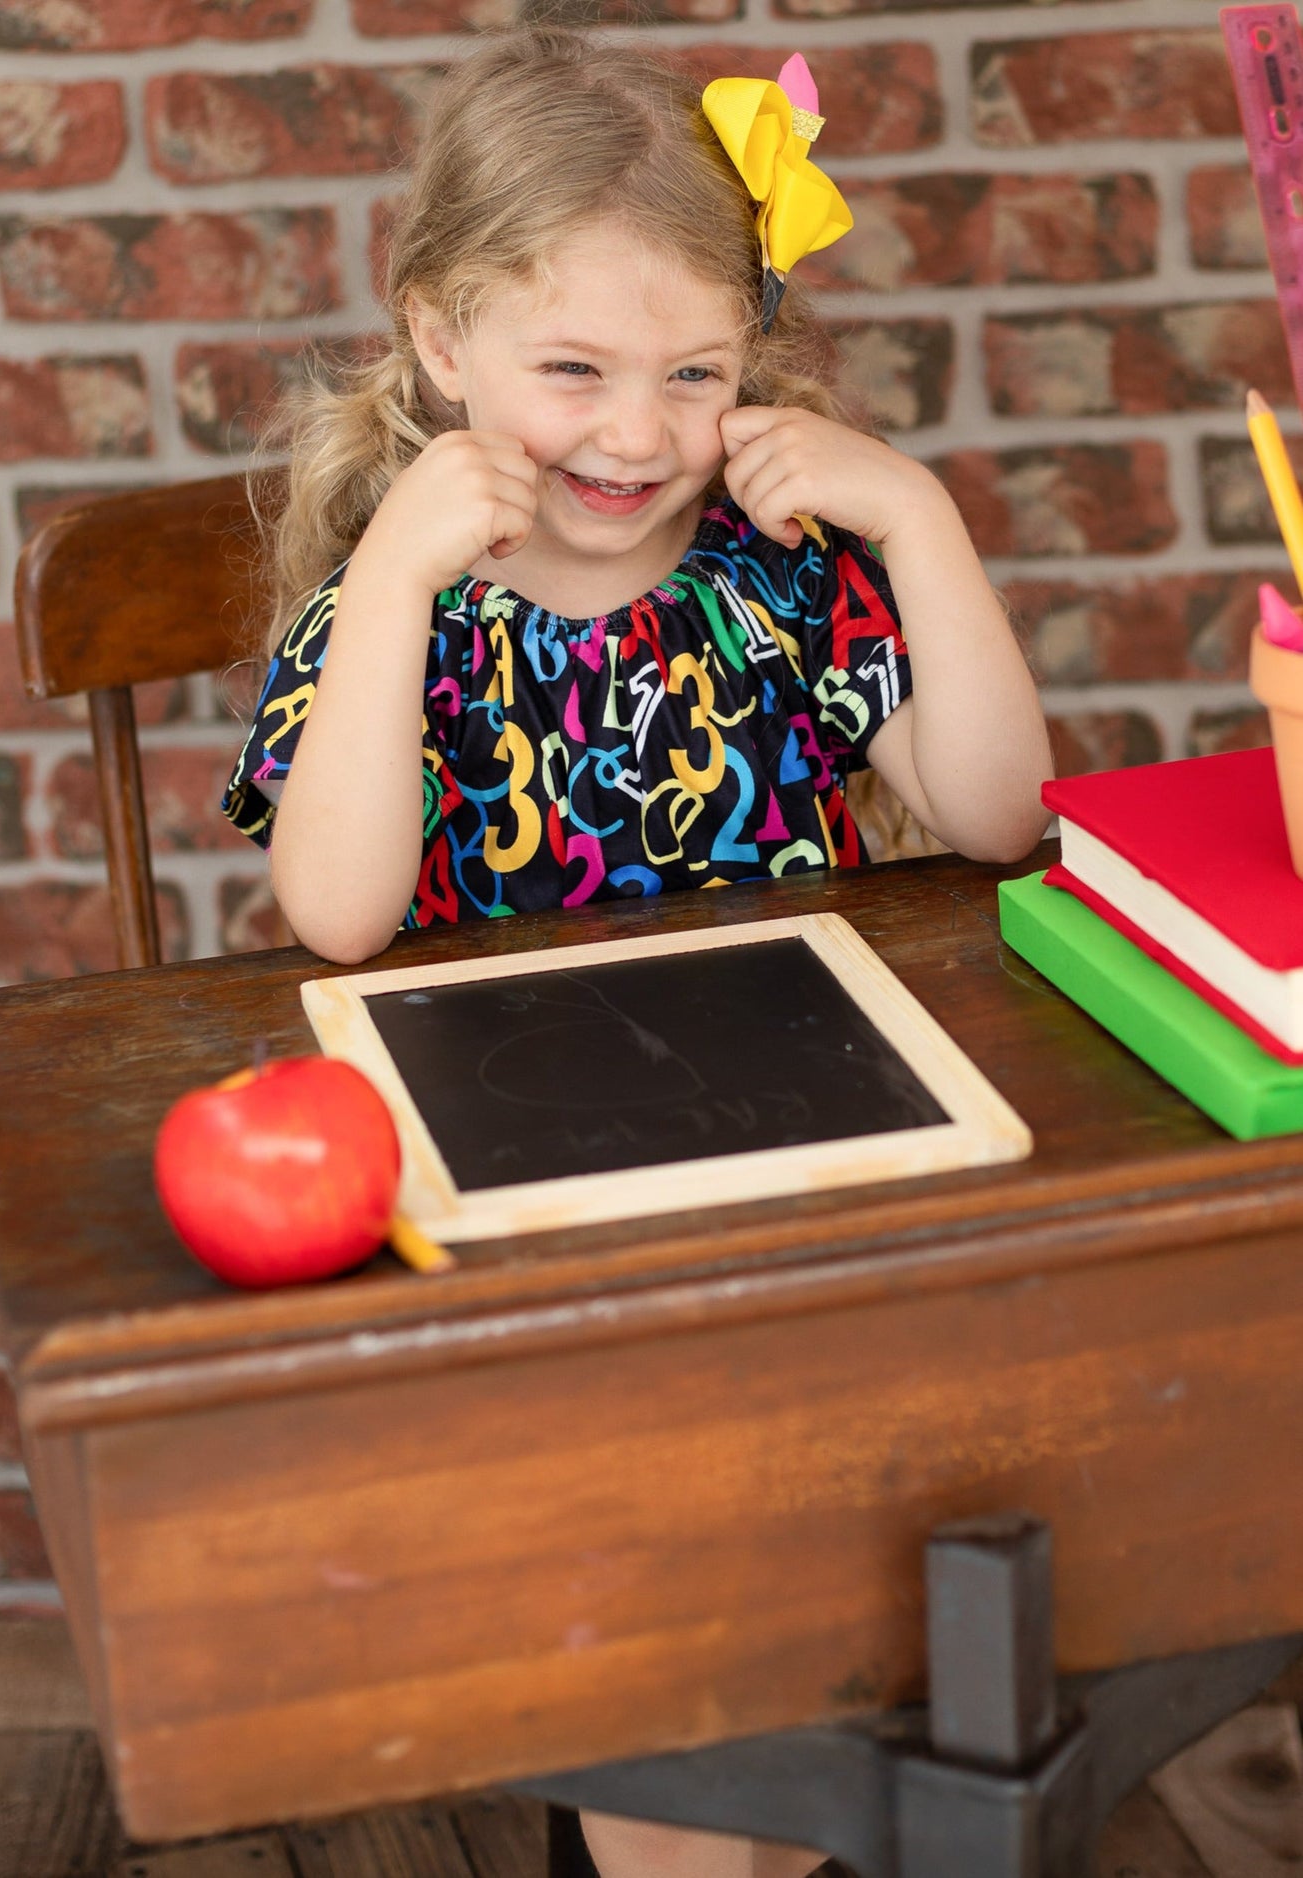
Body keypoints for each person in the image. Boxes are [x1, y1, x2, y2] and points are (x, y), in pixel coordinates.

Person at [222, 29, 1051, 1874]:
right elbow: (340, 913)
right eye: (573, 368)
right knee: (661, 1587)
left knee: (832, 1566)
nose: (634, 432)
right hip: (535, 1229)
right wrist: (385, 593)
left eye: (693, 372)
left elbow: (999, 811)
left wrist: (915, 514)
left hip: (808, 1176)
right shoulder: (405, 618)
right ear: (442, 342)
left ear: (754, 361)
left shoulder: (778, 584)